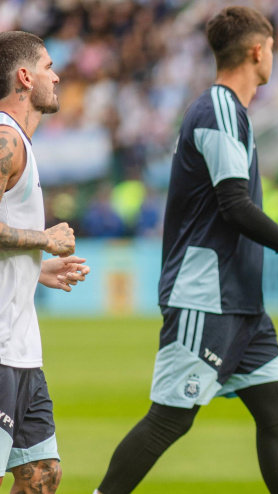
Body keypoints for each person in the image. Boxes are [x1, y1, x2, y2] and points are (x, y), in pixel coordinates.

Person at [95, 7, 278, 494]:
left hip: (240, 301)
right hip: (206, 295)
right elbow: (233, 205)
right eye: (271, 48)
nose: (273, 56)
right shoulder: (220, 109)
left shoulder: (229, 111)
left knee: (276, 412)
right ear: (256, 51)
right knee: (170, 419)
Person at [0, 30, 87, 494]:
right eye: (49, 65)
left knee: (42, 476)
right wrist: (45, 239)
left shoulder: (21, 145)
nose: (57, 75)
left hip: (21, 349)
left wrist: (37, 265)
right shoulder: (4, 139)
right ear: (24, 75)